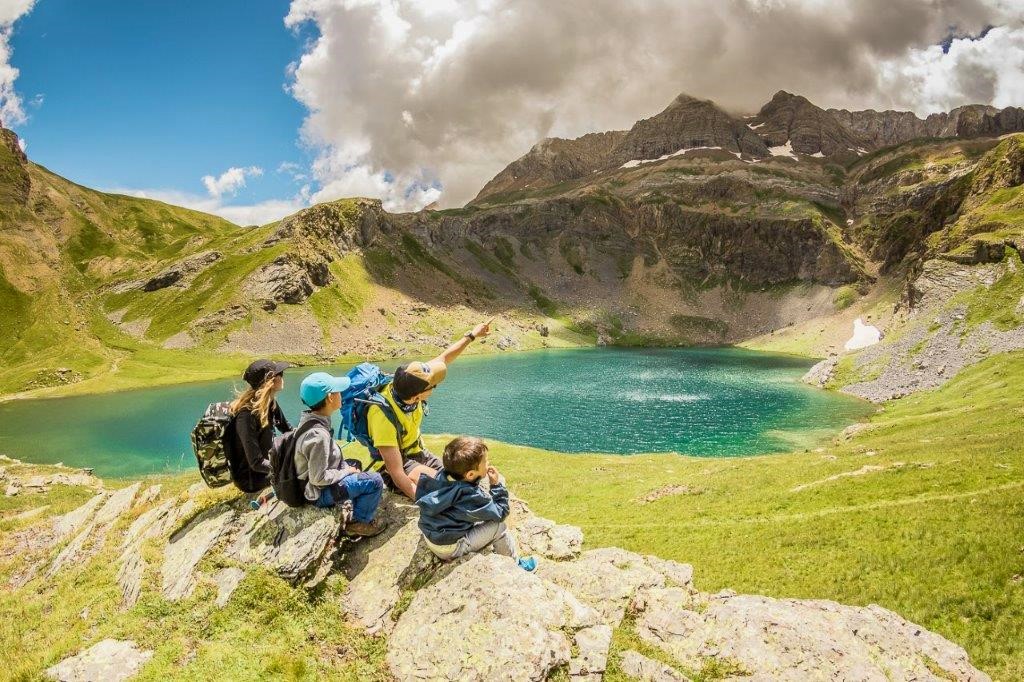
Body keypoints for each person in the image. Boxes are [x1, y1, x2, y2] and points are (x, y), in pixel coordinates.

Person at [368, 318, 493, 499]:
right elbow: (396, 471)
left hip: (419, 453)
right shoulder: (382, 415)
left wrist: (472, 335)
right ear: (416, 397)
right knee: (449, 490)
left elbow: (444, 358)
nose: (435, 386)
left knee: (465, 478)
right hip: (401, 460)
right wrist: (423, 503)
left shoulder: (411, 380)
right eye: (432, 385)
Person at [415, 436, 536, 570]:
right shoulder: (469, 495)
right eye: (485, 461)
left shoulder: (443, 475)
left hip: (433, 536)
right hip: (449, 548)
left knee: (481, 520)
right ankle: (515, 566)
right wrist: (496, 485)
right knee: (498, 526)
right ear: (471, 474)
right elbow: (501, 512)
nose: (488, 463)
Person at [295, 372, 388, 537]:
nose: (341, 394)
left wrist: (348, 468)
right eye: (338, 391)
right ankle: (358, 523)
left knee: (355, 464)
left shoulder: (310, 421)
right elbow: (318, 478)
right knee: (375, 481)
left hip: (311, 484)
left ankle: (349, 505)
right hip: (318, 493)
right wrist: (346, 472)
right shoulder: (318, 436)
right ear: (330, 398)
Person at [228, 359, 292, 494]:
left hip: (267, 468)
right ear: (270, 381)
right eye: (280, 373)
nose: (282, 377)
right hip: (251, 479)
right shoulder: (246, 415)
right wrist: (284, 467)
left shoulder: (270, 403)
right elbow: (256, 462)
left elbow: (288, 430)